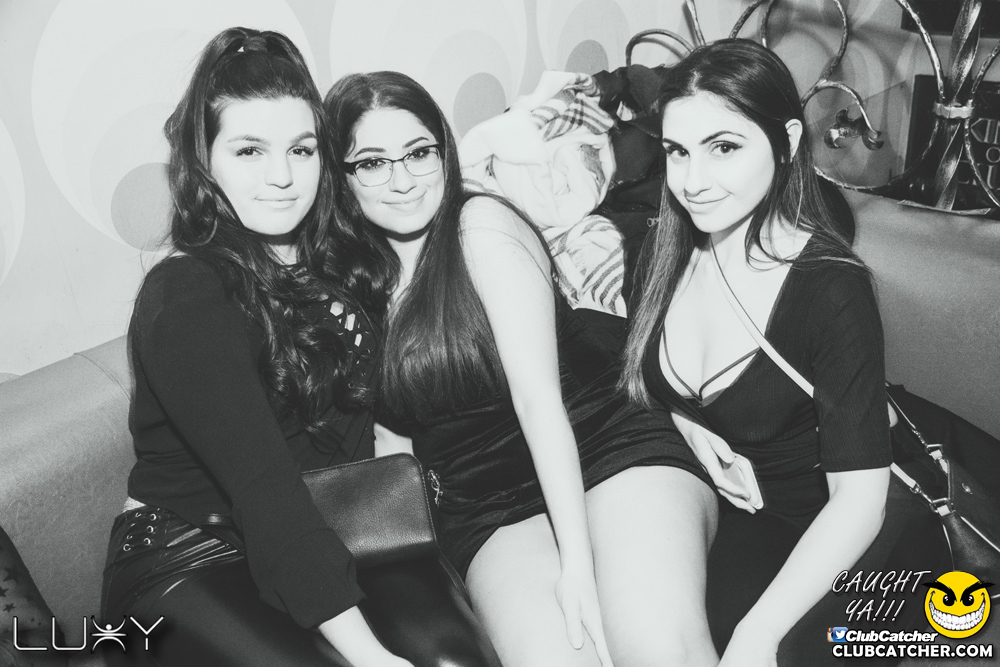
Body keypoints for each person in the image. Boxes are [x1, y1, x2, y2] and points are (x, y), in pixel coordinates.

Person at [100, 27, 499, 667]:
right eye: (249, 150)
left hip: (341, 521)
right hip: (192, 553)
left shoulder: (340, 259)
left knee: (455, 660)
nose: (282, 176)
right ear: (204, 161)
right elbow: (265, 494)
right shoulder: (187, 294)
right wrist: (371, 658)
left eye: (301, 149)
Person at [324, 71, 719, 667]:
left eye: (419, 152)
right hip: (485, 504)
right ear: (343, 176)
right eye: (373, 163)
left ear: (443, 151)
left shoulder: (480, 226)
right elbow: (391, 437)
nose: (402, 180)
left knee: (653, 645)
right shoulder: (351, 281)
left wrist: (578, 567)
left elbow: (540, 404)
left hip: (600, 446)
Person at [619, 39, 946, 666]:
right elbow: (643, 379)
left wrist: (761, 633)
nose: (693, 181)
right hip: (749, 523)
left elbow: (860, 501)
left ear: (786, 141)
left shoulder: (829, 287)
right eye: (677, 151)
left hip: (849, 538)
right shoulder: (656, 258)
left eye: (724, 147)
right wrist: (690, 428)